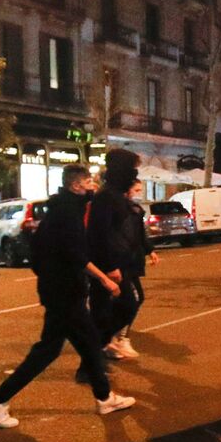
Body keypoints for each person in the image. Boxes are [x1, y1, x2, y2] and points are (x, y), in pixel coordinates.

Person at [0, 165, 136, 428]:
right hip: (64, 292)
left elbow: (46, 252)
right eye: (88, 181)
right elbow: (75, 254)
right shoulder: (67, 214)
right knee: (48, 351)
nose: (92, 186)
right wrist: (105, 279)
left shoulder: (61, 209)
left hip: (59, 290)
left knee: (88, 343)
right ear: (76, 186)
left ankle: (104, 397)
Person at [86, 149, 142, 351]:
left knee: (114, 310)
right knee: (121, 308)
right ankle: (92, 355)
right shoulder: (106, 196)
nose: (135, 174)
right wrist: (109, 266)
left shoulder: (117, 195)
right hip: (108, 266)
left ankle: (95, 354)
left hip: (120, 263)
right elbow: (99, 234)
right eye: (132, 169)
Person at [106, 177, 158, 360]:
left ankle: (117, 338)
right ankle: (111, 338)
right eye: (136, 190)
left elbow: (139, 234)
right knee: (131, 300)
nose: (139, 194)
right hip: (121, 264)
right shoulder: (118, 210)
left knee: (132, 300)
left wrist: (150, 250)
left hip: (132, 262)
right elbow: (115, 238)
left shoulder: (135, 210)